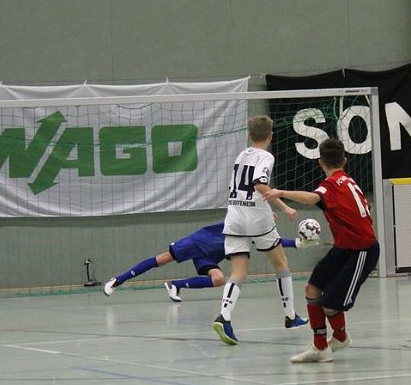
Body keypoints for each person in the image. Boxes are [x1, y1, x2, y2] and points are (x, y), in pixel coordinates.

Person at [264, 138, 379, 363]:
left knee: (331, 304)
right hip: (343, 248)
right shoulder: (347, 181)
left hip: (361, 251)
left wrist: (281, 192)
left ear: (320, 162)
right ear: (344, 160)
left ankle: (341, 337)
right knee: (312, 288)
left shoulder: (331, 185)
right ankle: (320, 347)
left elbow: (314, 197)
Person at [212, 115, 306, 346]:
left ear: (248, 134)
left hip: (235, 217)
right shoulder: (266, 156)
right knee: (281, 263)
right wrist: (284, 207)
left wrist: (260, 207)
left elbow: (234, 187)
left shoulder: (241, 155)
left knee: (238, 272)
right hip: (256, 220)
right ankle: (290, 316)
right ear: (271, 136)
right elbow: (259, 183)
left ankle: (224, 317)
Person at [103, 222, 317, 302]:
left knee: (218, 279)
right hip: (198, 242)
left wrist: (298, 243)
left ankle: (175, 285)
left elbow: (275, 241)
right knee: (162, 259)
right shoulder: (241, 221)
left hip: (210, 256)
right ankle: (118, 280)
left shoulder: (255, 234)